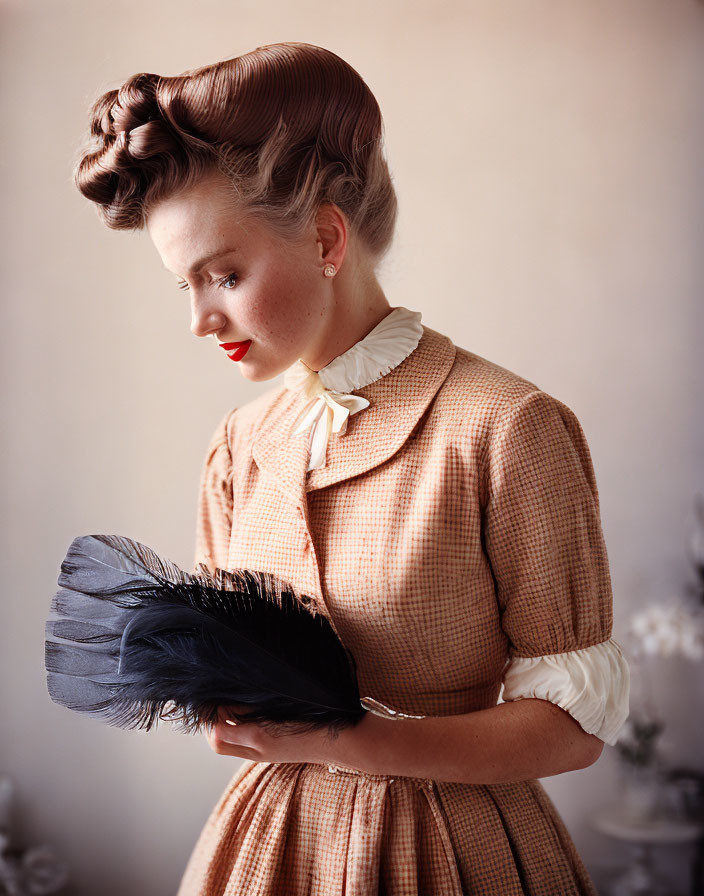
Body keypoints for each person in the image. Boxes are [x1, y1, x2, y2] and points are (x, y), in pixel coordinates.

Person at [73, 41, 630, 896]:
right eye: (184, 285)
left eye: (225, 273)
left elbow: (572, 728)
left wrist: (347, 741)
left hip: (453, 853)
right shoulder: (239, 447)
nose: (200, 319)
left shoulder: (507, 428)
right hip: (269, 851)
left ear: (328, 237)